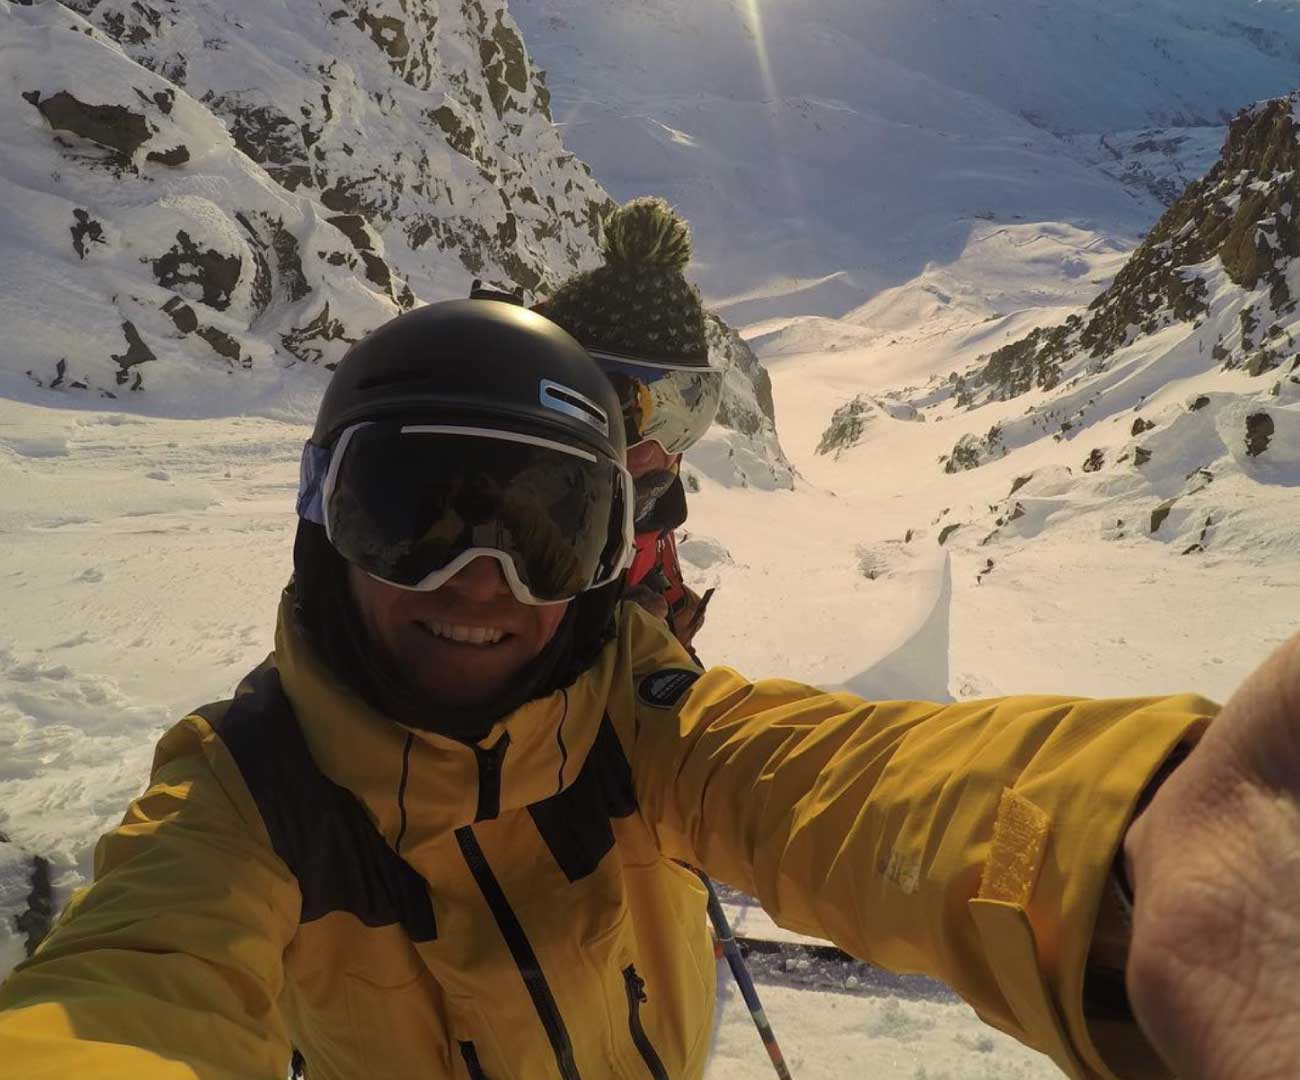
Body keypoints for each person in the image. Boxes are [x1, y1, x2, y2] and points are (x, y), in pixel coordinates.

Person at [0, 299, 1296, 1080]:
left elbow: (837, 784)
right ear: (320, 527)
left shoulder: (636, 712)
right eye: (411, 516)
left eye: (549, 534)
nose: (481, 583)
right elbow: (137, 987)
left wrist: (1124, 844)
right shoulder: (248, 793)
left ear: (611, 556)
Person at [535, 197, 720, 657]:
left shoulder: (653, 516)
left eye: (681, 415)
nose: (649, 452)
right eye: (614, 414)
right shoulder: (494, 540)